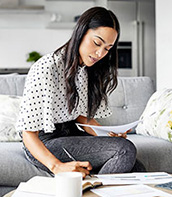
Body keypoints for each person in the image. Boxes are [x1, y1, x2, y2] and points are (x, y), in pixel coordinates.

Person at [17, 7, 145, 178]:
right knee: (125, 150)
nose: (100, 53)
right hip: (42, 143)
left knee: (137, 168)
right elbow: (28, 134)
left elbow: (80, 116)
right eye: (97, 43)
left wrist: (108, 135)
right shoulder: (47, 67)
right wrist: (56, 167)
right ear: (81, 32)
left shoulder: (85, 69)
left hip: (70, 134)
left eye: (107, 48)